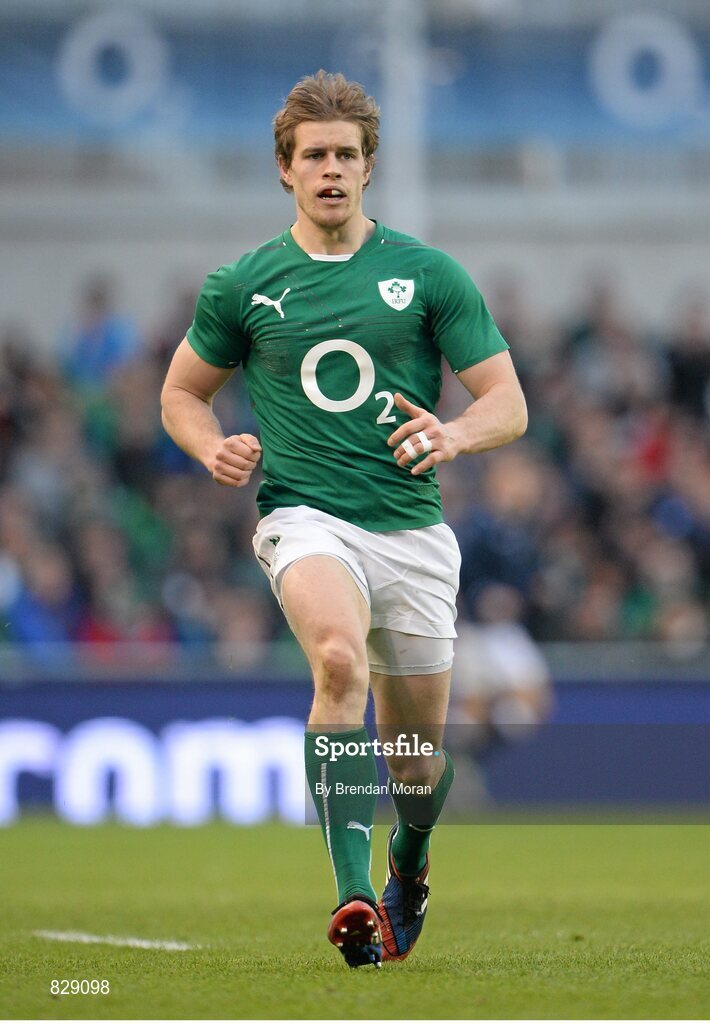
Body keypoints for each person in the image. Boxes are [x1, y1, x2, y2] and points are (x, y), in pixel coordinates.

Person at [161, 70, 527, 968]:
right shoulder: (242, 285)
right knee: (334, 661)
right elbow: (180, 393)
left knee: (414, 766)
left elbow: (508, 402)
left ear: (370, 169)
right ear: (285, 171)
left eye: (347, 155)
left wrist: (455, 433)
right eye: (314, 155)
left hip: (410, 532)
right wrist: (210, 446)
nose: (332, 170)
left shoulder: (427, 274)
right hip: (304, 518)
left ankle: (409, 856)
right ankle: (353, 894)